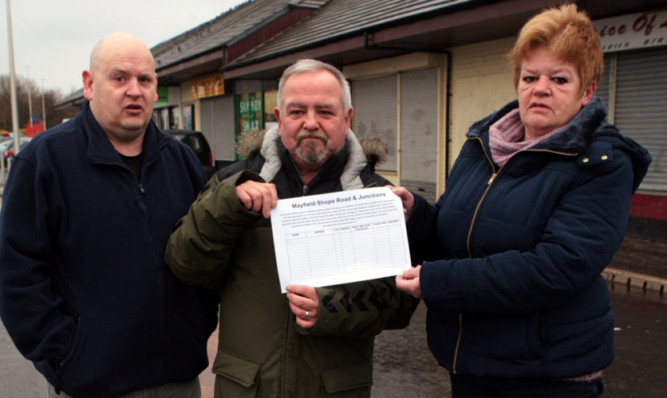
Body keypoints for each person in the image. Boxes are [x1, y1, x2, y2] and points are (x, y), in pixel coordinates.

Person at [393, 4, 651, 397]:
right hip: (470, 366)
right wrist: (415, 214)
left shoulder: (602, 163)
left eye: (560, 79)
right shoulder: (482, 145)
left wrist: (438, 281)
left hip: (546, 376)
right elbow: (452, 231)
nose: (540, 88)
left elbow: (556, 268)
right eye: (530, 76)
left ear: (588, 90)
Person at [165, 59, 419, 397]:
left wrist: (329, 308)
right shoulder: (233, 185)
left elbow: (399, 304)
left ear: (346, 119)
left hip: (334, 389)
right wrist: (227, 207)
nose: (310, 123)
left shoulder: (375, 196)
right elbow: (185, 265)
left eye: (325, 112)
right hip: (247, 387)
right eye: (297, 111)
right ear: (278, 118)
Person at [0, 32, 218, 398]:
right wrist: (66, 354)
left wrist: (198, 323)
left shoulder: (180, 161)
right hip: (92, 385)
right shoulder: (45, 161)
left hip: (179, 382)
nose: (134, 90)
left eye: (144, 80)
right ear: (89, 84)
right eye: (120, 78)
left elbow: (206, 254)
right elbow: (16, 273)